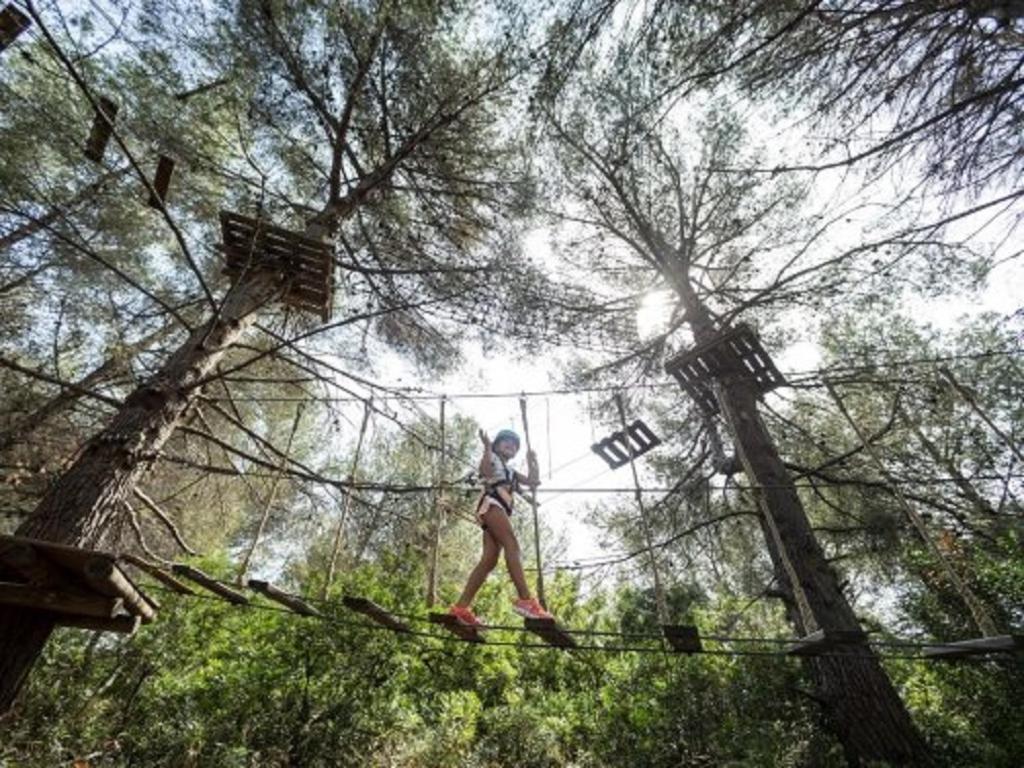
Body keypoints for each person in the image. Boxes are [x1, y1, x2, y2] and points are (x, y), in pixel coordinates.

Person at [447, 427, 553, 626]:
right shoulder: (493, 458)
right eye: (506, 442)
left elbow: (533, 482)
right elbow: (485, 471)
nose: (511, 445)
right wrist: (487, 447)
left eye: (514, 445)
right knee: (512, 545)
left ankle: (460, 608)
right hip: (492, 504)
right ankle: (525, 600)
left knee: (489, 560)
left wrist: (533, 461)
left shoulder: (511, 471)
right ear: (496, 445)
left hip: (496, 510)